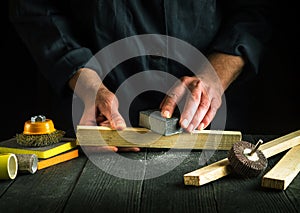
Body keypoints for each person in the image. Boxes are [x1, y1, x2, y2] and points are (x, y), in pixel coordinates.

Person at [9, 0, 271, 151]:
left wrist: (215, 75)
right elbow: (33, 6)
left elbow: (256, 10)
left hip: (211, 129)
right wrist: (85, 80)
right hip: (95, 126)